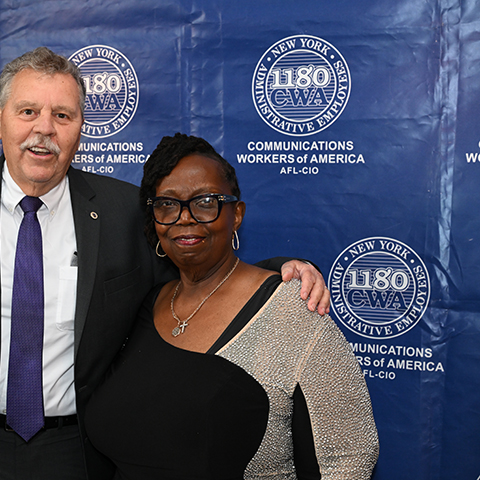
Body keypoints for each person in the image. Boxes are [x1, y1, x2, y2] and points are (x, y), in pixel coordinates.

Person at [0, 48, 330, 480]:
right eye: (28, 111)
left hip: (78, 453)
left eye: (62, 115)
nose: (44, 129)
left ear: (80, 129)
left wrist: (282, 271)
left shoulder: (122, 210)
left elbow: (195, 277)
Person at [84, 133, 379, 479]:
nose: (185, 217)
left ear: (236, 214)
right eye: (167, 204)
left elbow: (350, 456)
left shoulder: (294, 311)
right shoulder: (145, 304)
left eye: (205, 202)